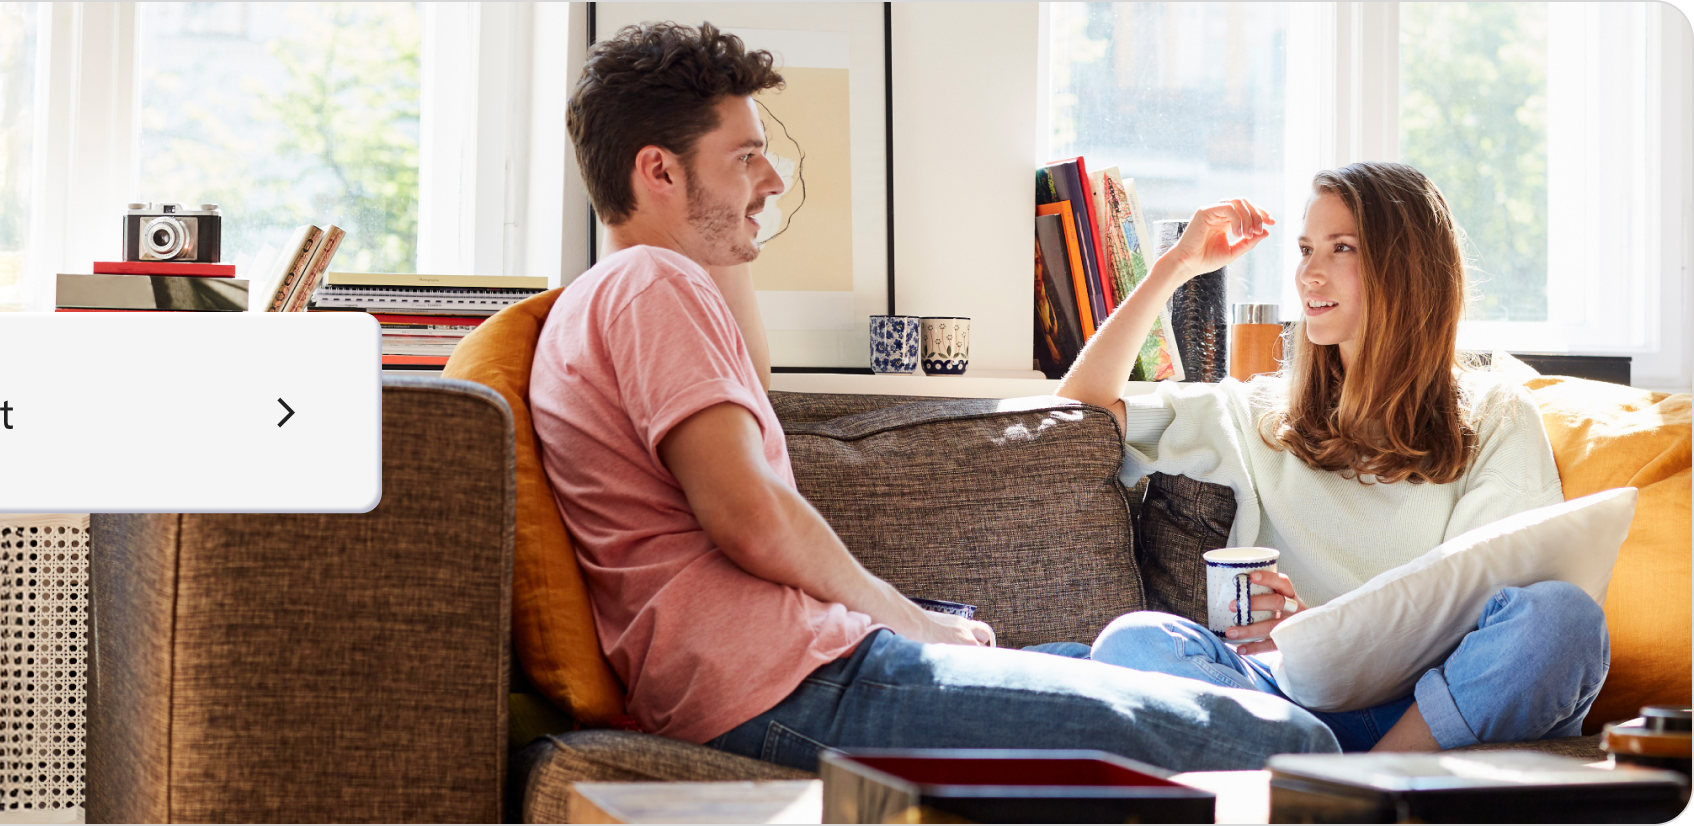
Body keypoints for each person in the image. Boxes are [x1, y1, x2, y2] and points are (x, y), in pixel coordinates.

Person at [528, 20, 1339, 773]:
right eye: (746, 156)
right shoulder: (650, 284)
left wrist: (730, 216)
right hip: (795, 685)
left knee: (1133, 672)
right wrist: (905, 620)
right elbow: (750, 514)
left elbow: (753, 378)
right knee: (1288, 744)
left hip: (808, 669)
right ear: (658, 169)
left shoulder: (627, 293)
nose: (774, 178)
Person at [1049, 162, 1606, 753]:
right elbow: (1080, 412)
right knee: (1134, 643)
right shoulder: (1259, 413)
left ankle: (1353, 780)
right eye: (1305, 248)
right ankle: (1330, 774)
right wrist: (1174, 269)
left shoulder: (1495, 412)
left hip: (1435, 705)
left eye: (1340, 248)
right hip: (1291, 703)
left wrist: (1323, 630)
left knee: (1562, 620)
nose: (1309, 274)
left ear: (1407, 269)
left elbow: (1474, 609)